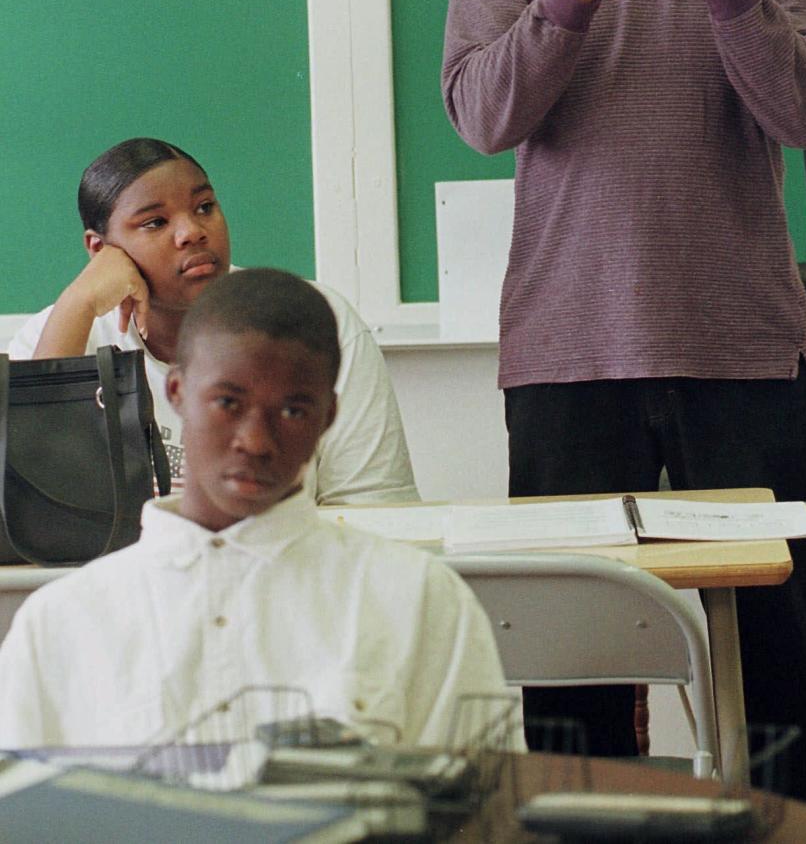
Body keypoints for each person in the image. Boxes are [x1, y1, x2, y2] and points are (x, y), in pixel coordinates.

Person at [442, 0, 806, 808]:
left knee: (778, 669)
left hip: (744, 358)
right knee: (577, 685)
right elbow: (484, 116)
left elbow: (804, 113)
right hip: (570, 365)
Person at [0, 268, 508, 750]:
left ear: (327, 416)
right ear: (176, 392)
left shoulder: (417, 599)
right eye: (228, 402)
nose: (255, 441)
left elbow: (487, 815)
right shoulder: (64, 622)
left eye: (292, 410)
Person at [8, 138, 418, 504]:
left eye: (205, 207)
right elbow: (27, 507)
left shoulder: (308, 318)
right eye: (156, 222)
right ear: (100, 250)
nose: (192, 231)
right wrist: (77, 303)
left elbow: (375, 509)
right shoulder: (63, 329)